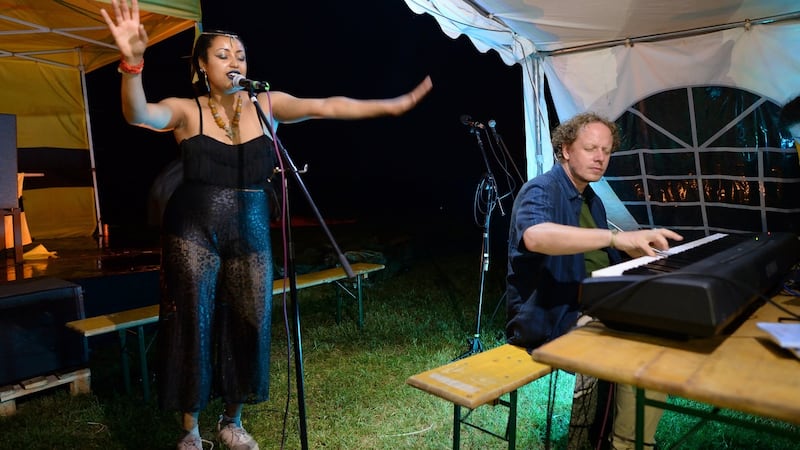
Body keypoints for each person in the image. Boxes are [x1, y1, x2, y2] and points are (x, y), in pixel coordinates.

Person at [100, 1, 433, 449]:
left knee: (249, 321)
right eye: (222, 55)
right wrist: (132, 65)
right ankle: (190, 431)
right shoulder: (185, 109)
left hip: (252, 229)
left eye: (240, 56)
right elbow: (139, 113)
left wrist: (393, 105)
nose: (234, 62)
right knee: (193, 323)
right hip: (192, 230)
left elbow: (329, 105)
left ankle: (231, 422)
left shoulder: (266, 105)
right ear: (201, 65)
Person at [504, 112, 683, 449]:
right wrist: (615, 239)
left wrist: (649, 256)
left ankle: (625, 441)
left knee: (662, 330)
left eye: (606, 150)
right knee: (630, 343)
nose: (600, 158)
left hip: (593, 301)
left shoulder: (591, 200)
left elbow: (601, 259)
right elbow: (536, 237)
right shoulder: (540, 189)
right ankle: (613, 443)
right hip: (553, 313)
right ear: (566, 150)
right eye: (590, 148)